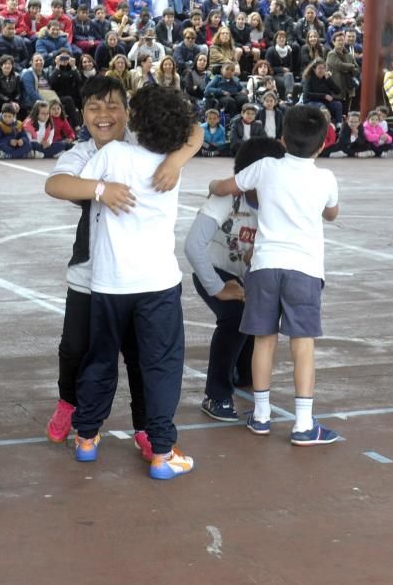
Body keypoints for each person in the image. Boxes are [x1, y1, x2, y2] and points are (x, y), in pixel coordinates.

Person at [42, 76, 197, 450]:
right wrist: (100, 189)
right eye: (94, 107)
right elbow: (56, 184)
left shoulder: (144, 145)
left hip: (129, 282)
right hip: (90, 275)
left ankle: (142, 426)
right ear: (82, 115)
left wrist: (176, 160)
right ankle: (69, 403)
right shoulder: (83, 154)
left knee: (140, 357)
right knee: (76, 349)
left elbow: (194, 129)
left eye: (113, 106)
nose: (104, 115)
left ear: (130, 113)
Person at [208, 105, 340, 446]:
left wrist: (213, 184)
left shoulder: (266, 167)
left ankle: (262, 416)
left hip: (265, 267)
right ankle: (304, 424)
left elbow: (226, 186)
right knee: (303, 346)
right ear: (322, 144)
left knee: (263, 341)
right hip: (305, 269)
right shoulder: (325, 178)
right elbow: (332, 213)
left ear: (281, 139)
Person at [185, 137, 285, 420]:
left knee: (260, 316)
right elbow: (193, 246)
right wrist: (217, 288)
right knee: (235, 316)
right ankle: (216, 395)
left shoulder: (281, 201)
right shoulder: (227, 196)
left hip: (254, 275)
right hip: (216, 272)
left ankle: (242, 371)